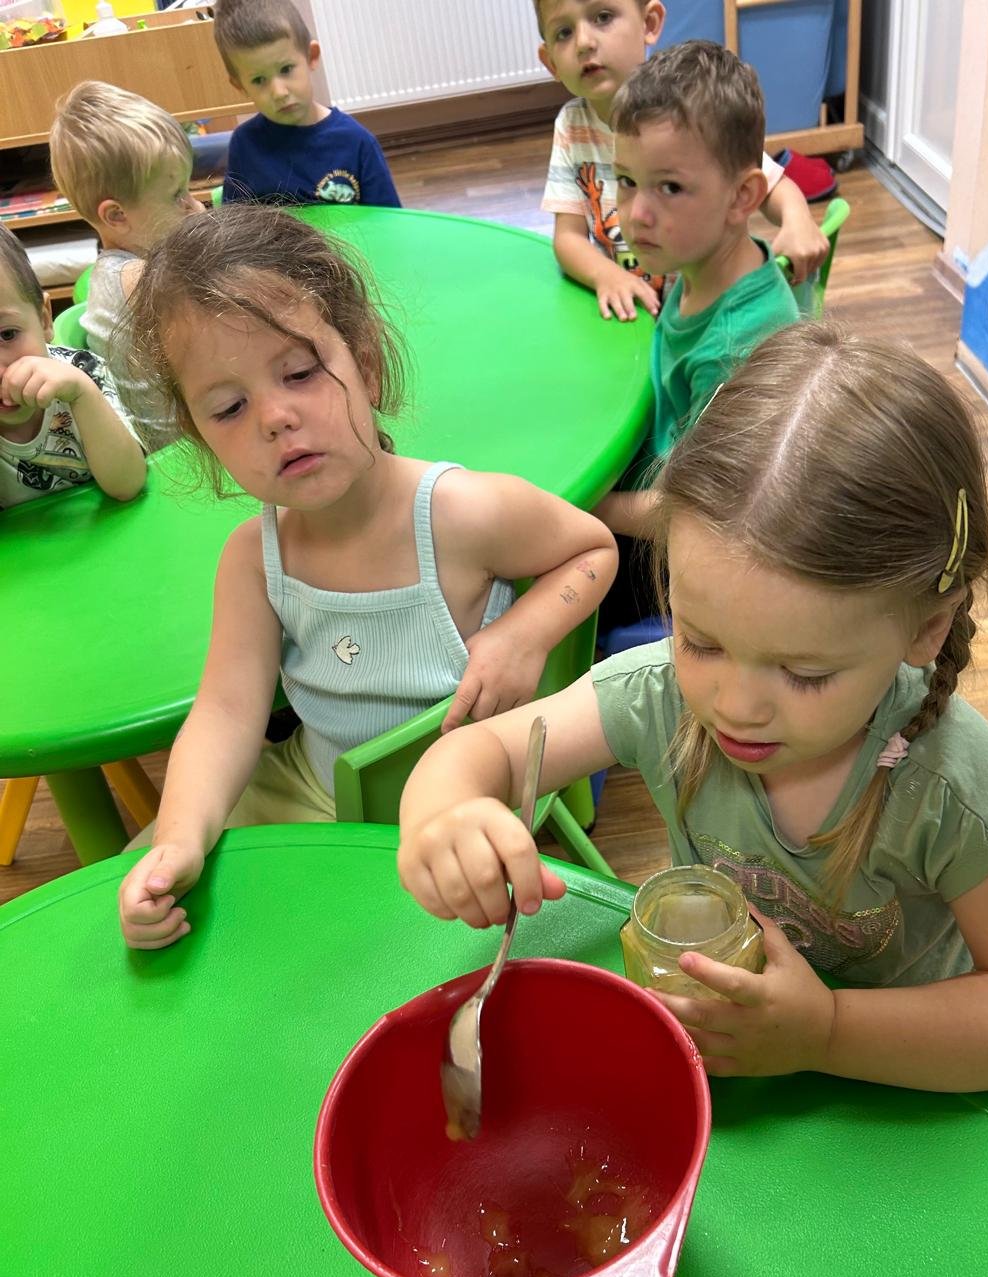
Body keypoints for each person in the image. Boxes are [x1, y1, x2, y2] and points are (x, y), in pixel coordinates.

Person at [397, 321, 988, 1093]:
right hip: (742, 1071)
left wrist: (826, 1032)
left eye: (803, 674)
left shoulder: (949, 792)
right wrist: (443, 816)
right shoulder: (659, 696)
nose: (733, 708)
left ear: (927, 628)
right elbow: (479, 752)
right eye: (700, 641)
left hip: (910, 1091)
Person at [117, 206, 615, 950]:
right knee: (150, 897)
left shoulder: (464, 512)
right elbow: (224, 714)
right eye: (228, 407)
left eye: (300, 373)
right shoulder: (253, 560)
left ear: (367, 364)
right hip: (309, 793)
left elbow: (594, 550)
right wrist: (179, 839)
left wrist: (523, 634)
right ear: (201, 438)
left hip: (463, 804)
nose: (274, 417)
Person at [595, 39, 801, 628]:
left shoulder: (734, 347)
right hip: (665, 482)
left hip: (693, 546)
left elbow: (698, 513)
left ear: (743, 197)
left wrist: (592, 506)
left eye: (670, 188)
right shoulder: (701, 266)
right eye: (626, 181)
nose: (636, 214)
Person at [536, 0, 826, 321]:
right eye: (564, 32)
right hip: (637, 318)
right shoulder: (572, 126)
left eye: (603, 17)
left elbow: (770, 185)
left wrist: (798, 222)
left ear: (649, 23)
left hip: (712, 317)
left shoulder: (687, 107)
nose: (584, 42)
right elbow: (568, 237)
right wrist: (607, 276)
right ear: (550, 63)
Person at [50, 80, 205, 452]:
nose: (192, 205)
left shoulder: (114, 271)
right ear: (117, 216)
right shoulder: (142, 279)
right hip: (183, 453)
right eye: (177, 196)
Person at [0, 226, 145, 508]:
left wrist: (83, 395)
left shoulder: (84, 372)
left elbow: (128, 485)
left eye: (7, 334)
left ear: (44, 320)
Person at [214, 0, 402, 208]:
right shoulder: (244, 146)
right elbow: (233, 225)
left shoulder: (357, 143)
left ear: (311, 56)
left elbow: (389, 222)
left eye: (286, 69)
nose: (279, 92)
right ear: (240, 86)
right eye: (259, 80)